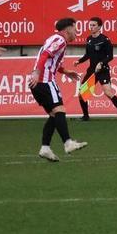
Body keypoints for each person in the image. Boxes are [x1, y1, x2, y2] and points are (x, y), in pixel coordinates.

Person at [29, 18, 88, 162]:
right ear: (67, 30)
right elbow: (45, 55)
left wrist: (66, 71)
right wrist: (37, 73)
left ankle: (45, 148)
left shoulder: (58, 41)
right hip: (45, 81)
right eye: (75, 28)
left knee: (54, 115)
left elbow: (52, 61)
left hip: (38, 83)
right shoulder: (60, 40)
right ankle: (68, 143)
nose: (77, 32)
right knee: (60, 110)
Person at [74, 17, 117, 122]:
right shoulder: (89, 39)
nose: (91, 27)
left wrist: (101, 63)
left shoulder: (105, 40)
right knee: (82, 94)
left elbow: (110, 56)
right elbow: (87, 55)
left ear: (99, 27)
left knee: (108, 92)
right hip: (92, 71)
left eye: (94, 25)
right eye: (90, 25)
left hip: (103, 70)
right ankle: (86, 116)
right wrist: (79, 61)